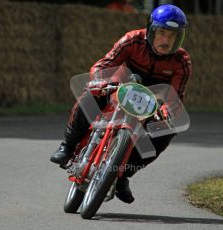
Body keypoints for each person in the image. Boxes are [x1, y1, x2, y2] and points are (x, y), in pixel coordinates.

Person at [50, 4, 192, 204]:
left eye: (173, 36)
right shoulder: (132, 40)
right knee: (90, 93)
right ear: (151, 30)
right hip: (119, 88)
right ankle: (67, 146)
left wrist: (167, 112)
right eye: (162, 33)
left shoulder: (181, 61)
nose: (166, 41)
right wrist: (101, 80)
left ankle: (123, 175)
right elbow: (104, 64)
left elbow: (175, 96)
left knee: (167, 130)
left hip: (149, 106)